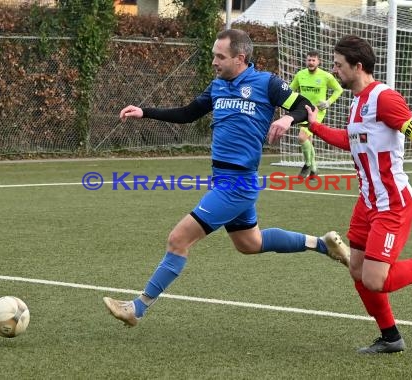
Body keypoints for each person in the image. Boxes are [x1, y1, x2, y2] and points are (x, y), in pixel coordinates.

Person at [103, 29, 350, 327]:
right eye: (213, 56)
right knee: (249, 243)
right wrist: (145, 112)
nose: (214, 62)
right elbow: (187, 113)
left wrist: (286, 117)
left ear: (240, 58)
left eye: (220, 56)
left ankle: (137, 308)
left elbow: (302, 107)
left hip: (238, 184)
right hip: (224, 181)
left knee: (178, 239)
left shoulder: (267, 83)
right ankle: (323, 244)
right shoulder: (218, 86)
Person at [298, 35, 412, 354]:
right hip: (366, 204)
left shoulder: (385, 99)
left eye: (338, 65)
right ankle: (391, 337)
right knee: (357, 272)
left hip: (393, 204)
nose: (334, 72)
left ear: (357, 66)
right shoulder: (354, 102)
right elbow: (351, 141)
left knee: (375, 280)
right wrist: (316, 126)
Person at [290, 51, 343, 178]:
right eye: (309, 60)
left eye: (313, 60)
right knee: (307, 140)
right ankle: (314, 170)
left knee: (302, 137)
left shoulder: (326, 76)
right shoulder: (300, 75)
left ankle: (308, 164)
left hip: (317, 112)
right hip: (303, 110)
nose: (311, 62)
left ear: (318, 62)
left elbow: (339, 89)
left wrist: (328, 102)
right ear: (306, 61)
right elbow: (290, 90)